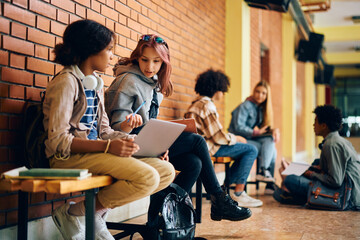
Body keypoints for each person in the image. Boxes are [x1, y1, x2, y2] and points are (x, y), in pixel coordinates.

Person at [44, 20, 175, 240]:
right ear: (90, 51)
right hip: (67, 157)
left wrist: (145, 145)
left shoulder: (95, 82)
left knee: (165, 170)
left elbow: (105, 129)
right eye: (109, 50)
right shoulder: (66, 82)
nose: (112, 57)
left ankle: (82, 213)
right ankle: (81, 214)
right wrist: (107, 146)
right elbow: (58, 140)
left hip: (95, 152)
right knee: (147, 177)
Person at [105, 34, 252, 221]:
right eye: (144, 60)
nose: (150, 67)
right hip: (128, 145)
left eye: (156, 61)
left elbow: (151, 125)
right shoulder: (128, 81)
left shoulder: (154, 84)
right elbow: (115, 128)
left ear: (164, 63)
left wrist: (162, 144)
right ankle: (219, 199)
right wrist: (128, 123)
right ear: (137, 58)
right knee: (198, 141)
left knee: (194, 163)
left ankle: (162, 220)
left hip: (148, 144)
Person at [184, 69, 262, 207]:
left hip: (200, 147)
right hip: (209, 148)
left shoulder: (195, 105)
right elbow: (218, 137)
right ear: (216, 89)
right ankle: (237, 192)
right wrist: (236, 138)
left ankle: (229, 189)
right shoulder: (206, 105)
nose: (223, 94)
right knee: (251, 149)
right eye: (223, 90)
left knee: (245, 149)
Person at [273, 105, 360, 210]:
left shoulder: (331, 145)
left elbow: (335, 181)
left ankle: (290, 191)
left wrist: (311, 174)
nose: (313, 125)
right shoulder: (339, 140)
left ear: (324, 126)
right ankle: (291, 191)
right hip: (349, 188)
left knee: (290, 180)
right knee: (315, 162)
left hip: (347, 196)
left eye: (315, 121)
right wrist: (302, 169)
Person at [228, 80, 280, 194]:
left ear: (267, 96)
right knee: (269, 148)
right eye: (257, 91)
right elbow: (238, 127)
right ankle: (265, 175)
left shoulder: (260, 108)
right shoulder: (245, 106)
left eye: (263, 93)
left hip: (250, 138)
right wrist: (255, 132)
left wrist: (274, 130)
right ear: (253, 91)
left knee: (272, 146)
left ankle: (265, 175)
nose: (260, 95)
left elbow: (262, 130)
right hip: (238, 138)